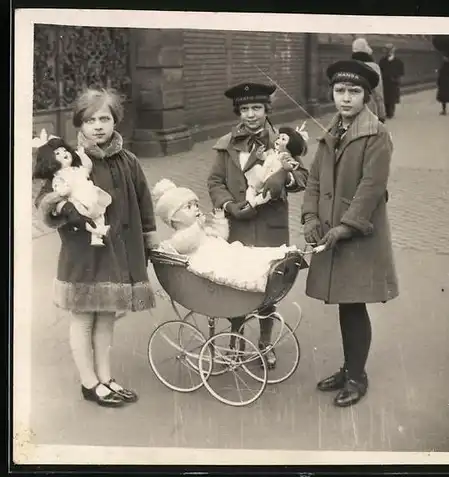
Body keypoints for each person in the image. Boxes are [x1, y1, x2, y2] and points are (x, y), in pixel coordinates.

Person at [34, 88, 159, 408]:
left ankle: (105, 377)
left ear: (115, 120)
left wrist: (149, 238)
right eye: (90, 120)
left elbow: (143, 201)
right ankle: (89, 382)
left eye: (105, 118)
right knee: (83, 316)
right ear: (80, 123)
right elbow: (46, 201)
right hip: (84, 252)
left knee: (106, 316)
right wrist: (74, 214)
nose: (98, 126)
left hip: (117, 250)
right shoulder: (70, 160)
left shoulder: (128, 160)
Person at [302, 59, 399, 407]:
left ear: (367, 96)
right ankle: (349, 368)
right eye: (340, 90)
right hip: (332, 232)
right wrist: (310, 217)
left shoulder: (377, 134)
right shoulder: (332, 130)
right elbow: (314, 179)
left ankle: (357, 377)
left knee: (354, 305)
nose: (345, 98)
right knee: (346, 304)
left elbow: (371, 188)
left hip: (358, 236)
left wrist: (345, 226)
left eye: (354, 92)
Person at [207, 82, 309, 368]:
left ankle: (265, 345)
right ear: (238, 111)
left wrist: (283, 181)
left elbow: (302, 176)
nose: (251, 114)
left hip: (269, 225)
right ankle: (236, 342)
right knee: (237, 285)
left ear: (267, 109)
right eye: (245, 109)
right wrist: (228, 205)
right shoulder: (226, 144)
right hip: (237, 226)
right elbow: (215, 181)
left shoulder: (283, 140)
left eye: (257, 108)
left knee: (267, 287)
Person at [152, 178, 298, 294]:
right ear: (175, 218)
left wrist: (220, 220)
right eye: (188, 207)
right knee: (240, 265)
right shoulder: (180, 236)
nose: (196, 208)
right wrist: (198, 226)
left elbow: (221, 237)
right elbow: (186, 242)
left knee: (247, 256)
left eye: (196, 204)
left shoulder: (202, 229)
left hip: (225, 254)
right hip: (215, 263)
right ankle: (265, 272)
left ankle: (275, 261)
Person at [351, 37, 386, 122]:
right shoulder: (373, 67)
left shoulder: (349, 66)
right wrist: (381, 114)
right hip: (369, 107)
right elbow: (378, 92)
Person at [378, 43, 405, 119]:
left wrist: (397, 79)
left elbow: (401, 72)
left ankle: (391, 112)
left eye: (390, 50)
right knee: (386, 97)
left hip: (394, 82)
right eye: (387, 50)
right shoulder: (382, 61)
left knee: (392, 98)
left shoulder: (398, 61)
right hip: (385, 82)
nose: (388, 52)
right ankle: (387, 111)